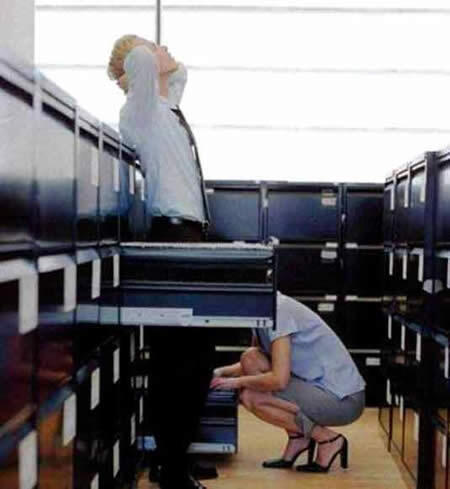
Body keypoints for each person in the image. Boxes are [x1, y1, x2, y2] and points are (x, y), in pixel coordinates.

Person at [107, 35, 215, 489]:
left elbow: (182, 72)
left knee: (194, 357)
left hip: (190, 236)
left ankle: (173, 457)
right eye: (154, 45)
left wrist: (161, 61)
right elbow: (136, 63)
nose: (164, 47)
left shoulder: (165, 110)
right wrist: (140, 52)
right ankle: (171, 467)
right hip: (172, 234)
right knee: (181, 359)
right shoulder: (140, 110)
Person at [211, 291, 366, 473]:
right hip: (316, 387)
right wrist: (220, 373)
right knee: (251, 358)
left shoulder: (280, 313)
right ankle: (298, 437)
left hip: (343, 399)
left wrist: (236, 383)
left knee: (251, 397)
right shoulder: (264, 309)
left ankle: (327, 439)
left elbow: (279, 380)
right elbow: (260, 360)